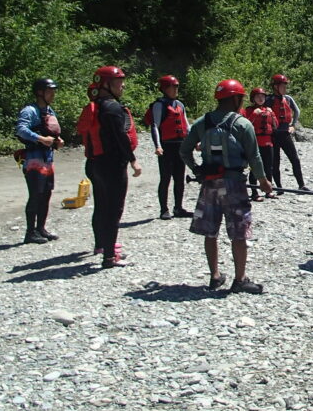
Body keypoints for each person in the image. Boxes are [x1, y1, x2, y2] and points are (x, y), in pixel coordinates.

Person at [180, 79, 273, 294]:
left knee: (210, 231)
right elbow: (254, 156)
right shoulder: (242, 124)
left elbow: (184, 151)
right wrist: (263, 181)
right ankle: (240, 279)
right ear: (235, 99)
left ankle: (214, 276)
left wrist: (197, 170)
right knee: (239, 232)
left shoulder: (201, 122)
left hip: (209, 184)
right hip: (234, 185)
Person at [76, 66, 142, 268]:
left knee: (102, 206)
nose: (122, 85)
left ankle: (102, 246)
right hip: (112, 165)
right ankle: (109, 257)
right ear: (106, 84)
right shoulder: (112, 108)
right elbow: (120, 137)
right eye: (118, 82)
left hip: (94, 162)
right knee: (114, 210)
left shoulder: (96, 105)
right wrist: (133, 160)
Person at [15, 77, 64, 244]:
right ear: (39, 93)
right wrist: (41, 138)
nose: (53, 94)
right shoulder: (29, 111)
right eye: (49, 91)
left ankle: (41, 229)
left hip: (48, 159)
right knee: (35, 195)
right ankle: (30, 233)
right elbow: (21, 129)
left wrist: (58, 141)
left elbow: (52, 131)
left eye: (53, 91)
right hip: (33, 159)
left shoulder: (50, 111)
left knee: (46, 194)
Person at [146, 75, 191, 220]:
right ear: (165, 89)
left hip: (180, 145)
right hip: (166, 147)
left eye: (177, 86)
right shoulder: (159, 105)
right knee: (165, 178)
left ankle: (178, 208)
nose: (176, 89)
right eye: (173, 87)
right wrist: (158, 146)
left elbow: (186, 125)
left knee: (179, 178)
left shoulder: (180, 104)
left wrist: (193, 141)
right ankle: (163, 210)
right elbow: (155, 126)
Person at [269, 73, 308, 193]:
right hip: (273, 135)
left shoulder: (288, 99)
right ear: (276, 87)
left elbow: (297, 111)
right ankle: (279, 187)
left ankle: (301, 185)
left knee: (295, 159)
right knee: (275, 162)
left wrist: (292, 125)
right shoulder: (268, 100)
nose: (285, 88)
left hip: (285, 133)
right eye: (283, 85)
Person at [242, 87, 278, 202]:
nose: (261, 98)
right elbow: (245, 125)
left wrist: (272, 115)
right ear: (253, 98)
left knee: (269, 167)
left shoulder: (268, 110)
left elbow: (275, 125)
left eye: (263, 96)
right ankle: (254, 192)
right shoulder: (248, 110)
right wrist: (253, 114)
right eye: (258, 96)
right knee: (254, 167)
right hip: (256, 142)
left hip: (268, 142)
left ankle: (269, 191)